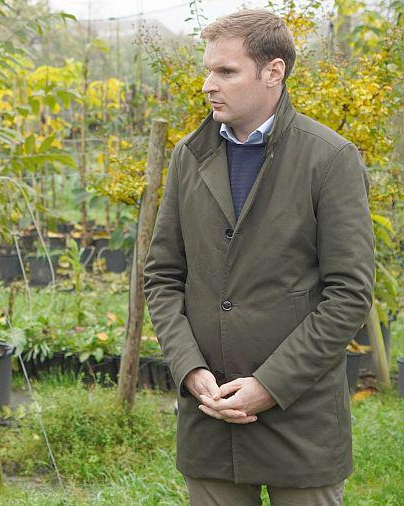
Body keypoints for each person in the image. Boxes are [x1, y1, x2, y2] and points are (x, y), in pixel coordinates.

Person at [144, 10, 374, 505]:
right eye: (208, 70)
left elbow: (349, 295)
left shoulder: (329, 158)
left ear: (273, 72)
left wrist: (270, 384)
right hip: (209, 415)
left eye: (226, 72)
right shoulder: (188, 155)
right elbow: (163, 275)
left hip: (300, 417)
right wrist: (189, 369)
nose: (208, 85)